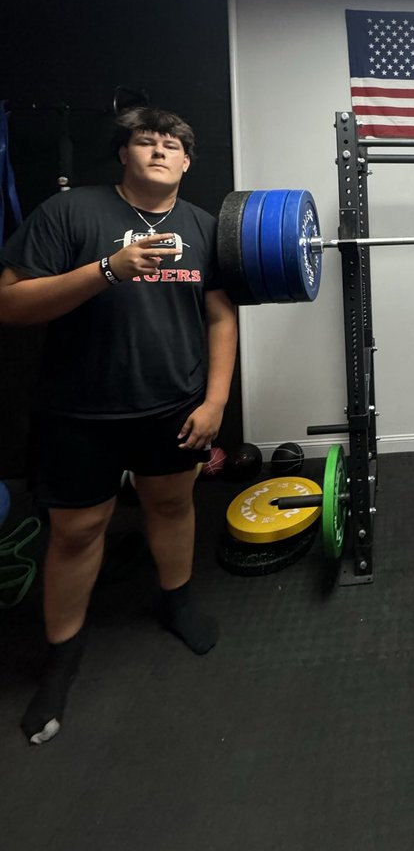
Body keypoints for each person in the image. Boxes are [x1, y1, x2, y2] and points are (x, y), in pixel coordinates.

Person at [0, 106, 238, 742]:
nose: (160, 149)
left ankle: (177, 600)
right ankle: (63, 654)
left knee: (171, 503)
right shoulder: (71, 214)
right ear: (124, 154)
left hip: (172, 404)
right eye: (146, 140)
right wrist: (108, 270)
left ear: (188, 162)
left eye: (173, 144)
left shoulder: (205, 228)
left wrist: (215, 401)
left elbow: (220, 318)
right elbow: (12, 303)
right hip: (78, 409)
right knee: (77, 531)